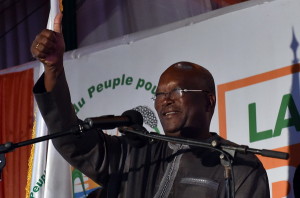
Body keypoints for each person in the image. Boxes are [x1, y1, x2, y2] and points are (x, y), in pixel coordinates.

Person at [31, 13, 270, 198]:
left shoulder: (238, 165)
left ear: (208, 100)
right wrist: (53, 69)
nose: (165, 100)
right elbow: (72, 140)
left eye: (177, 91)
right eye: (159, 94)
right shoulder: (132, 155)